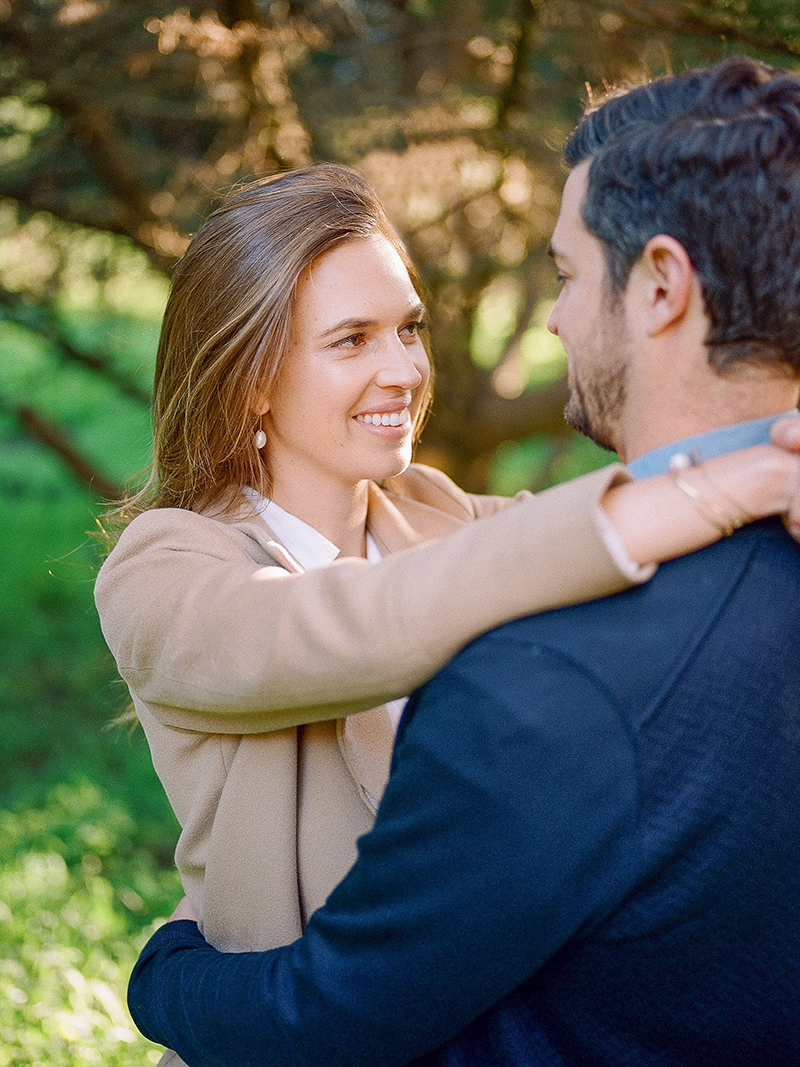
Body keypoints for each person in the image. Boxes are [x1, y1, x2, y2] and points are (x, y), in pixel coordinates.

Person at [126, 55, 800, 1067]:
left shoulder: (434, 515)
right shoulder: (165, 568)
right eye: (350, 339)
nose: (401, 369)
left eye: (407, 329)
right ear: (251, 374)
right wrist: (688, 489)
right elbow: (340, 628)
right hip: (269, 1030)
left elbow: (521, 556)